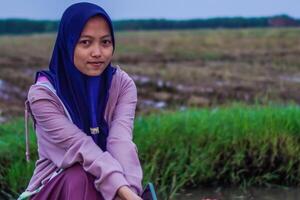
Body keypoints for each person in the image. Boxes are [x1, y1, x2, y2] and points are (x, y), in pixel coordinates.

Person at [18, 2, 143, 200]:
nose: (97, 52)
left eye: (105, 42)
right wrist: (124, 191)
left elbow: (120, 142)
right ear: (68, 44)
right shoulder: (43, 95)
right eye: (85, 42)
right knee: (79, 175)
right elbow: (82, 148)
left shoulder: (122, 85)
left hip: (107, 187)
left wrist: (133, 193)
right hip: (58, 187)